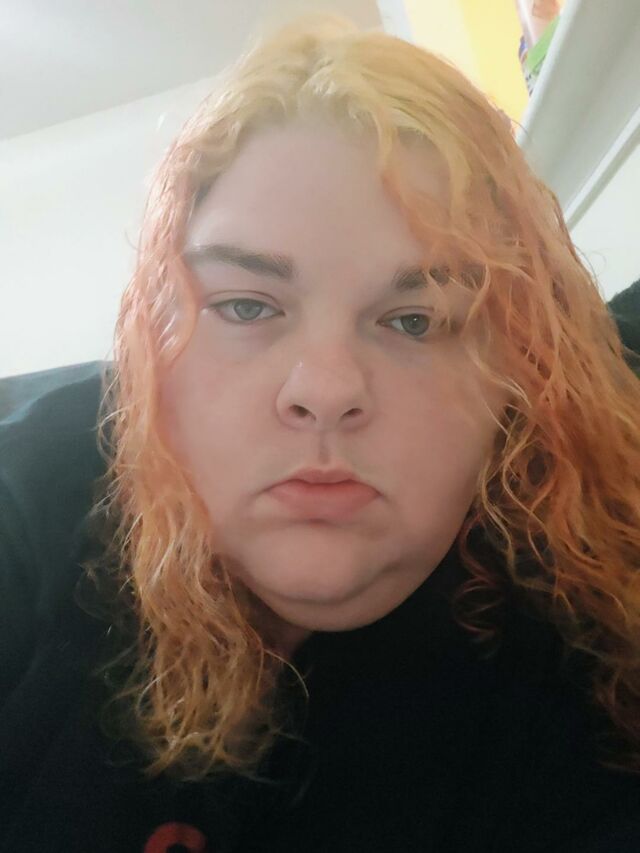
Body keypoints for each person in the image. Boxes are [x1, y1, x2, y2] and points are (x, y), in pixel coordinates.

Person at [1, 14, 640, 853]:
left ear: (516, 379)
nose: (327, 390)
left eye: (415, 320)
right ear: (152, 346)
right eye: (246, 306)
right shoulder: (35, 502)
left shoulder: (579, 670)